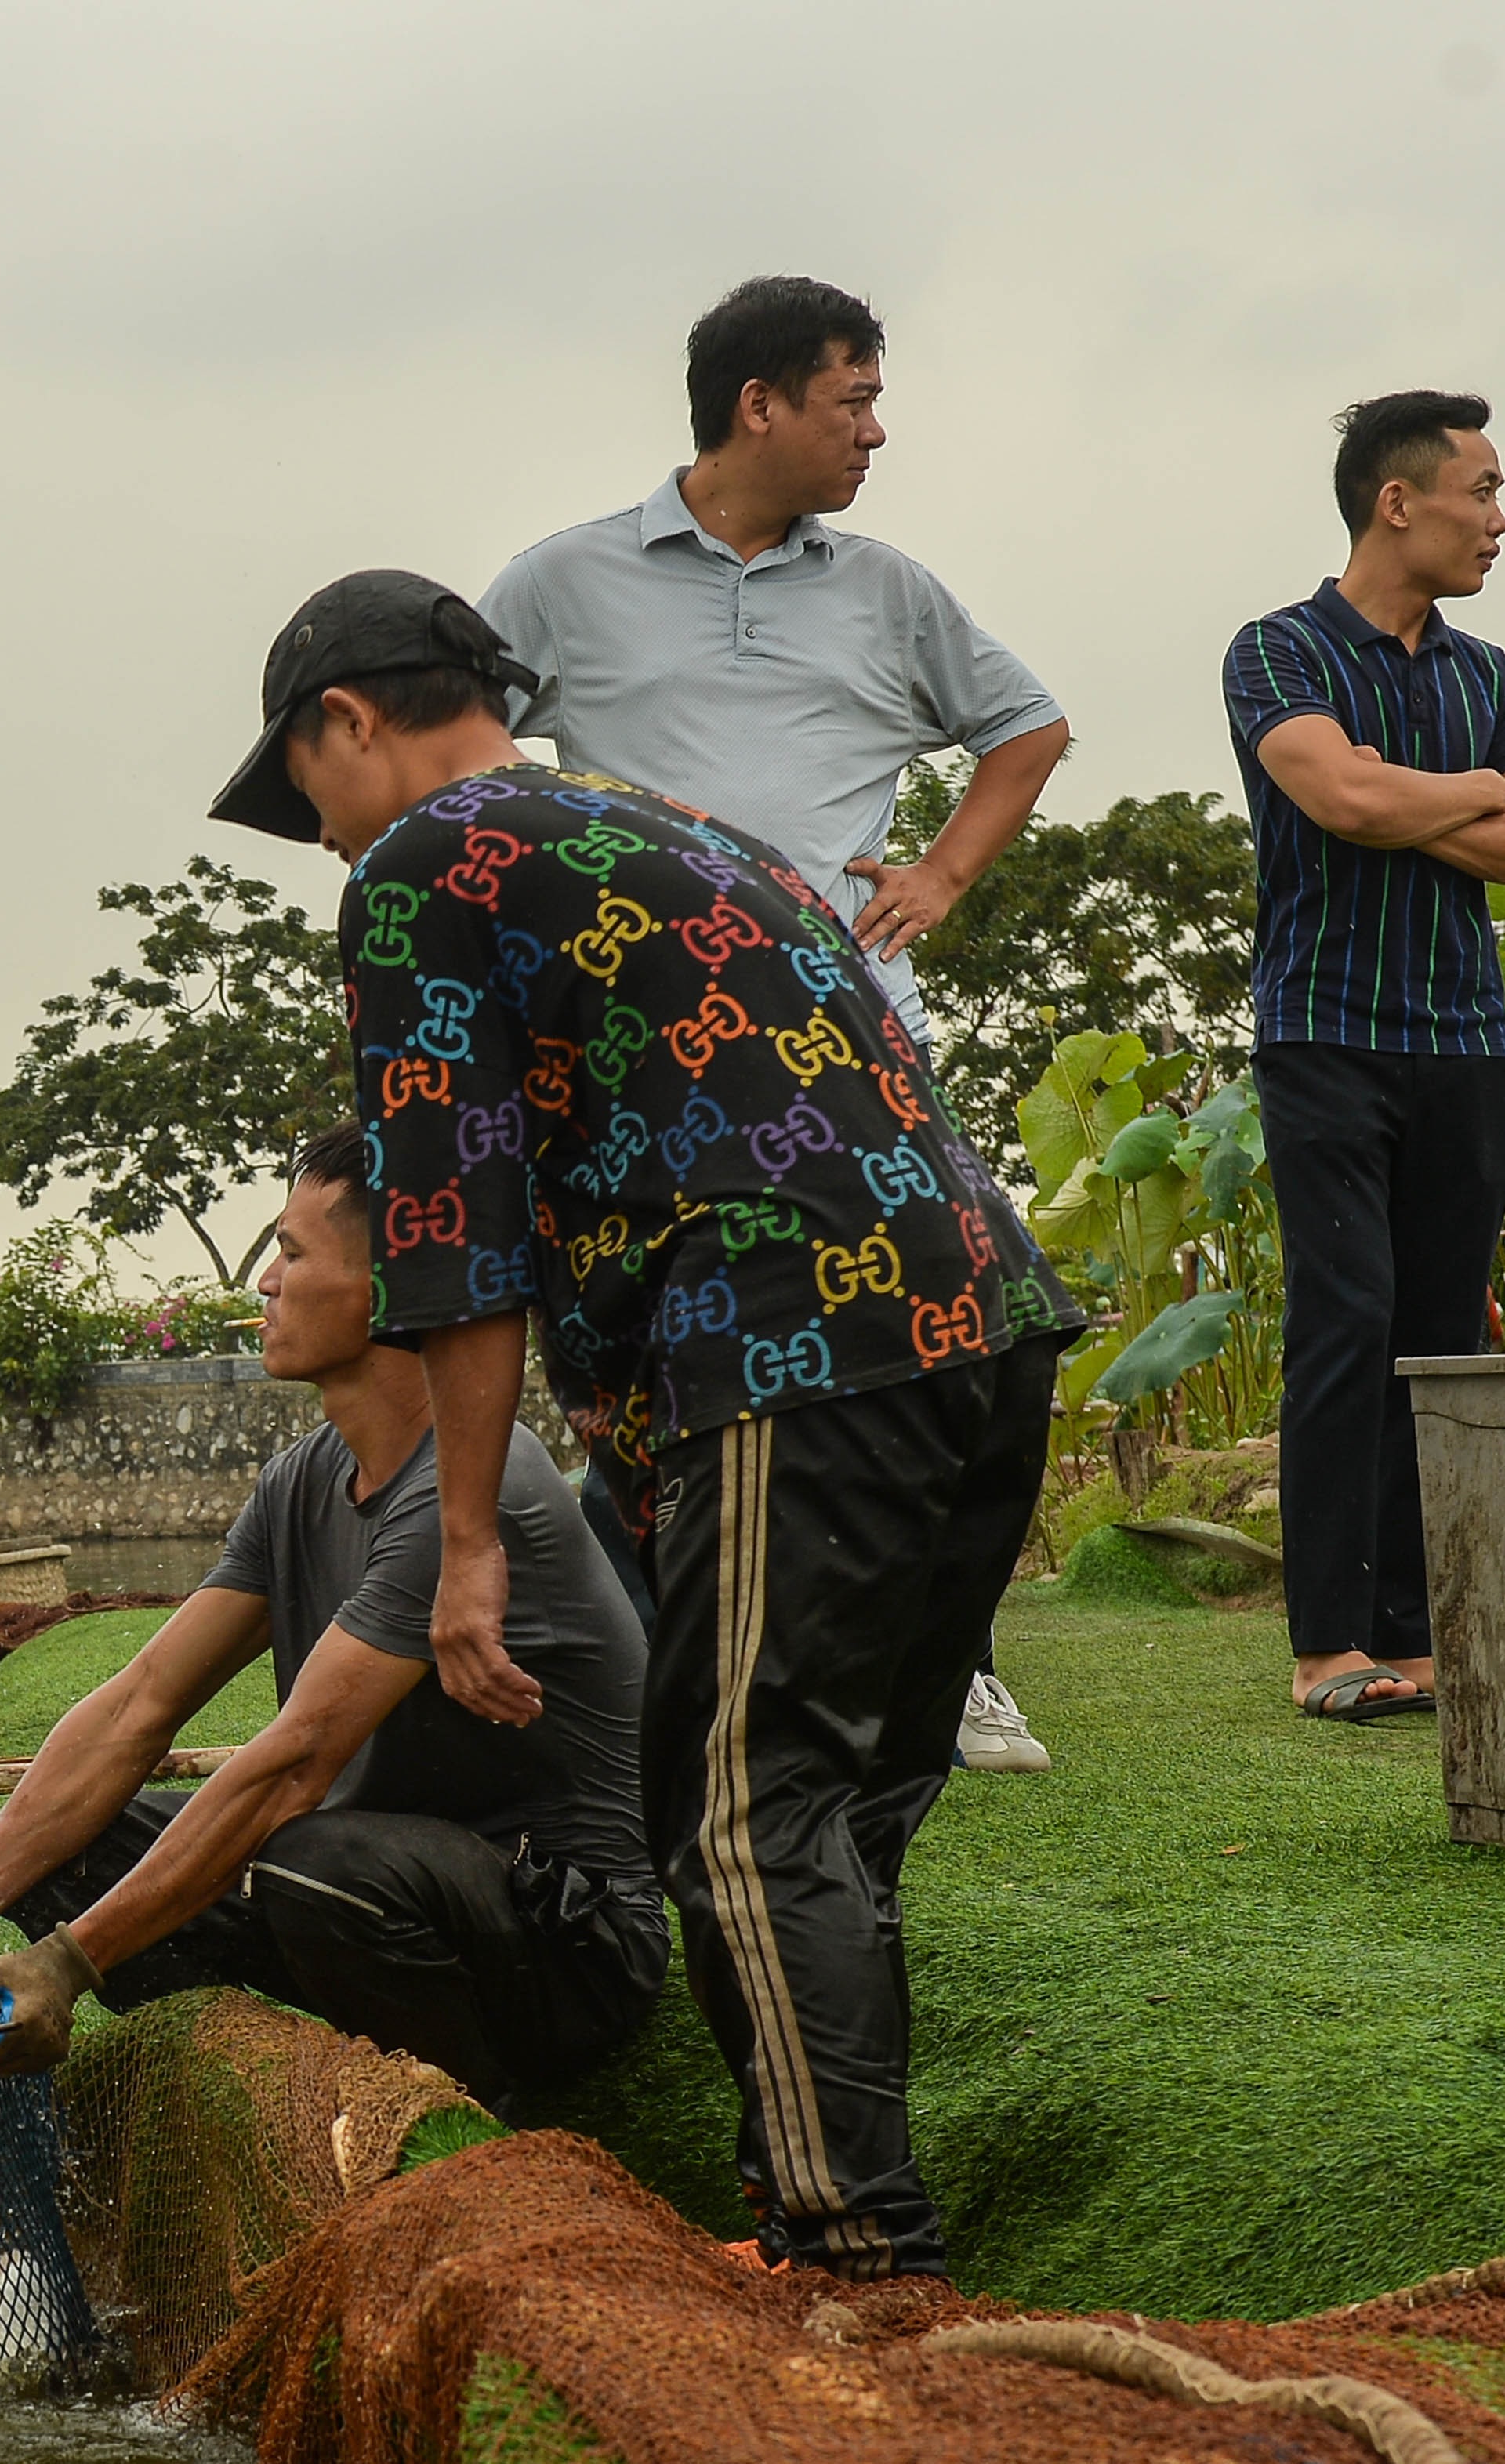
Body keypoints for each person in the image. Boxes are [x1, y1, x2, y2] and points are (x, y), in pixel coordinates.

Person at [205, 569, 1079, 2281]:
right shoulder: (652, 816)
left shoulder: (420, 866)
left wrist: (468, 1539)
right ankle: (848, 2200)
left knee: (746, 1812)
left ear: (347, 723)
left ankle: (847, 2248)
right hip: (979, 1308)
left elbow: (453, 1234)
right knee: (848, 1802)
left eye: (304, 791)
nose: (316, 837)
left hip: (787, 1329)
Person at [483, 272, 1072, 1778]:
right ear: (762, 406)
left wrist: (941, 873)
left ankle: (956, 1677)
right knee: (646, 1355)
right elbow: (462, 751)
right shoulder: (560, 582)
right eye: (853, 398)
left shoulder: (887, 588)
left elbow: (1029, 726)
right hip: (641, 1067)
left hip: (846, 1042)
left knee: (925, 1344)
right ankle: (663, 1681)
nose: (877, 430)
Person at [0, 1129, 663, 2118]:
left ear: (394, 1286)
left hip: (562, 1939)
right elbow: (138, 1706)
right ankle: (267, 2087)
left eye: (290, 1253)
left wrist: (68, 1963)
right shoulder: (302, 1480)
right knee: (72, 1838)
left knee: (308, 1861)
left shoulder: (473, 1488)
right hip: (372, 1890)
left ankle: (483, 2119)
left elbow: (296, 1764)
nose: (266, 1283)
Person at [1223, 390, 1505, 1723]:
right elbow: (1343, 795)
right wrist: (1480, 792)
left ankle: (1418, 1639)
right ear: (1399, 501)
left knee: (1443, 1335)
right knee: (1347, 1321)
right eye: (1480, 491)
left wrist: (1426, 803)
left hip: (1462, 1039)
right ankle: (1328, 1647)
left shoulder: (1484, 674)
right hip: (1325, 1033)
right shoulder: (1280, 651)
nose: (1499, 519)